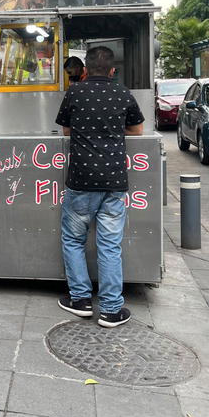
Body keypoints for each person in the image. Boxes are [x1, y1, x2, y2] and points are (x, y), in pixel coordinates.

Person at [54, 46, 144, 328]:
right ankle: (111, 310)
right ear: (112, 70)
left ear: (85, 70)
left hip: (81, 181)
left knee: (73, 240)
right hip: (114, 182)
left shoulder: (74, 93)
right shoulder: (122, 93)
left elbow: (66, 130)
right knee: (109, 245)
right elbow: (138, 130)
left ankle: (80, 300)